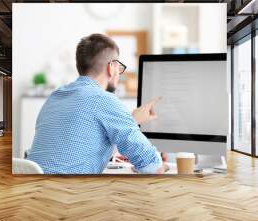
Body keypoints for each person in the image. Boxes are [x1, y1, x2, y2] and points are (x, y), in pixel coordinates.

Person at [27, 33, 168, 174]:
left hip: (35, 189)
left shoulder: (55, 97)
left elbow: (85, 146)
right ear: (111, 68)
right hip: (70, 192)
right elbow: (153, 168)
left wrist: (132, 120)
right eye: (118, 67)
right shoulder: (104, 99)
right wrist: (160, 164)